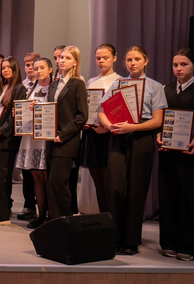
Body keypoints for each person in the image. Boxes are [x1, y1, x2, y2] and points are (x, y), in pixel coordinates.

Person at [97, 45, 167, 255]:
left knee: (137, 189)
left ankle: (130, 241)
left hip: (142, 139)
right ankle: (114, 238)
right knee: (115, 187)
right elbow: (102, 112)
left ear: (146, 61)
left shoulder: (155, 87)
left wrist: (133, 127)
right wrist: (110, 126)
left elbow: (157, 121)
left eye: (137, 59)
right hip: (118, 136)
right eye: (129, 60)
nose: (132, 63)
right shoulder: (118, 84)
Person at [157, 48, 194, 261]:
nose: (178, 69)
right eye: (175, 65)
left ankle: (188, 245)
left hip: (190, 154)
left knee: (187, 197)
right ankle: (168, 242)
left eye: (184, 64)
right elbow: (159, 118)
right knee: (168, 195)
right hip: (168, 152)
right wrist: (159, 136)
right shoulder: (166, 89)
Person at [45, 46, 88, 222]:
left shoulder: (78, 84)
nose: (62, 60)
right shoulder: (53, 84)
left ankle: (65, 222)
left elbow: (82, 116)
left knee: (58, 183)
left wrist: (63, 134)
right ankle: (55, 223)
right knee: (52, 184)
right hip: (50, 140)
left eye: (67, 58)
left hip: (66, 141)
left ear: (75, 62)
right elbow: (49, 112)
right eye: (61, 57)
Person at [0, 57, 26, 226]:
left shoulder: (19, 89)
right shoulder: (0, 88)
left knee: (1, 177)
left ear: (15, 70)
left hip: (6, 141)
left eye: (9, 67)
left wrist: (1, 131)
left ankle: (1, 215)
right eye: (3, 68)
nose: (5, 70)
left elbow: (14, 118)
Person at [81, 44, 119, 213]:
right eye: (98, 58)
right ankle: (103, 219)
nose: (101, 61)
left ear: (114, 58)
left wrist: (107, 127)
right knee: (97, 181)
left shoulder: (119, 80)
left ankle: (112, 220)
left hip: (109, 134)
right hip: (92, 133)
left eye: (105, 57)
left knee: (108, 182)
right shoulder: (91, 81)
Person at [15, 58, 52, 228]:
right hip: (30, 136)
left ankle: (50, 215)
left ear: (50, 69)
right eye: (36, 68)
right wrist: (19, 112)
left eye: (42, 68)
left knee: (46, 175)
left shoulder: (54, 88)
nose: (38, 71)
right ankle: (40, 214)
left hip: (45, 136)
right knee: (35, 175)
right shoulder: (30, 88)